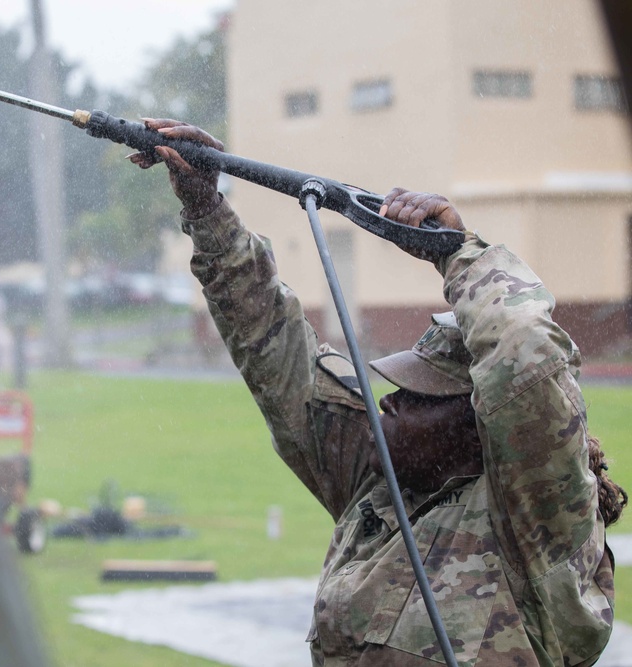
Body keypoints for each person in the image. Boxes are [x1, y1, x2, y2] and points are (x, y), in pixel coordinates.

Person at [129, 119, 627, 666]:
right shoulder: (379, 484)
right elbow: (277, 354)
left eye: (421, 395)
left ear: (483, 420)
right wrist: (208, 210)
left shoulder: (538, 522)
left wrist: (457, 251)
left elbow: (527, 348)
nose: (390, 402)